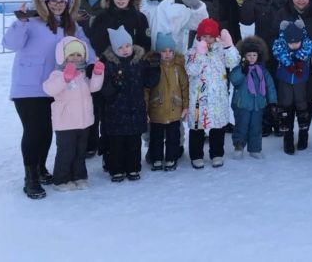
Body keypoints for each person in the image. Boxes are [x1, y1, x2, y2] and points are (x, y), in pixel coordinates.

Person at [3, 0, 95, 199]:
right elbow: (10, 44)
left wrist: (94, 65)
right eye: (52, 1)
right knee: (34, 131)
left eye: (61, 2)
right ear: (43, 1)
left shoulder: (71, 27)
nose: (56, 5)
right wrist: (20, 22)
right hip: (29, 88)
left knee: (47, 131)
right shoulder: (31, 22)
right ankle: (30, 177)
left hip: (58, 89)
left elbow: (87, 50)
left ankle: (41, 168)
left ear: (68, 4)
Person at [89, 0, 151, 160]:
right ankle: (110, 155)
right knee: (108, 113)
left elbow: (145, 43)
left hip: (132, 70)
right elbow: (96, 42)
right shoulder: (102, 17)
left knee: (131, 113)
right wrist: (108, 59)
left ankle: (131, 156)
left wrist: (137, 60)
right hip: (109, 69)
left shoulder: (139, 17)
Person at [271, 0, 312, 151]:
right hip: (287, 65)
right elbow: (273, 34)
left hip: (310, 64)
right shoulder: (283, 12)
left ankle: (304, 133)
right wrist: (286, 53)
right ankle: (288, 136)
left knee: (307, 101)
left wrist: (309, 49)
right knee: (287, 102)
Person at [42, 37, 105, 191]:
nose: (75, 58)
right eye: (71, 55)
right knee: (66, 152)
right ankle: (61, 180)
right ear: (63, 56)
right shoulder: (57, 73)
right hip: (65, 122)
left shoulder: (83, 74)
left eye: (78, 54)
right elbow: (49, 89)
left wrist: (98, 74)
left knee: (80, 152)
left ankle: (79, 176)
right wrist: (65, 78)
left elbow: (93, 88)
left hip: (83, 121)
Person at [239, 0, 289, 137]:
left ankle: (280, 121)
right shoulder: (258, 0)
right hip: (264, 50)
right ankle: (266, 121)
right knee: (264, 86)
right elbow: (246, 19)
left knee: (282, 87)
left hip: (283, 50)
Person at [101, 26, 155, 182]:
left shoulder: (140, 62)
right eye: (120, 47)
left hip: (135, 110)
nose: (125, 50)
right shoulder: (109, 65)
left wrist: (155, 69)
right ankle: (116, 169)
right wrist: (114, 85)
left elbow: (149, 82)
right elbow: (104, 90)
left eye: (127, 46)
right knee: (116, 144)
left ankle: (133, 168)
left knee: (134, 143)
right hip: (115, 112)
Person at [185, 19, 239, 168]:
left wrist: (229, 46)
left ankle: (217, 154)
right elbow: (191, 70)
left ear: (216, 37)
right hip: (198, 98)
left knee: (218, 126)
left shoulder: (221, 50)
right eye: (204, 36)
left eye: (210, 36)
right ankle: (196, 155)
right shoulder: (192, 52)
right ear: (199, 36)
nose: (207, 39)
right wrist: (200, 54)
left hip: (218, 98)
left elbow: (233, 62)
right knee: (197, 127)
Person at [272, 19, 312, 155]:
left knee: (302, 105)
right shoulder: (281, 44)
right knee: (286, 106)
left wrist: (298, 57)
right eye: (290, 43)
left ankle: (303, 134)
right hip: (285, 81)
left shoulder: (306, 43)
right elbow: (277, 49)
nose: (293, 45)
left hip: (301, 82)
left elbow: (311, 46)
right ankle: (288, 138)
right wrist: (289, 61)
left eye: (296, 43)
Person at [145, 33, 189, 172]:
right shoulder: (152, 66)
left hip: (175, 109)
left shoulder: (178, 67)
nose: (168, 54)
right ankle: (156, 158)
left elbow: (184, 87)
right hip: (156, 109)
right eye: (164, 51)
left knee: (173, 137)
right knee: (156, 137)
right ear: (158, 52)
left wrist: (186, 105)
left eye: (170, 51)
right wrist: (145, 109)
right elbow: (146, 89)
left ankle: (171, 158)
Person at [229, 36, 278, 159]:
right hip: (242, 104)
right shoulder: (239, 69)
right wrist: (242, 71)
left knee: (256, 127)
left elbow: (270, 86)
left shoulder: (262, 71)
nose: (251, 58)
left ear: (259, 56)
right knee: (241, 126)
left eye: (254, 55)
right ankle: (239, 146)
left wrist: (272, 102)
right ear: (244, 55)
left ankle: (255, 149)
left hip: (258, 105)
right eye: (249, 55)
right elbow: (234, 80)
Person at [140, 0, 207, 54]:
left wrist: (197, 7)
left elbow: (197, 23)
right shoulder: (142, 8)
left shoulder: (175, 7)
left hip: (173, 57)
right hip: (149, 57)